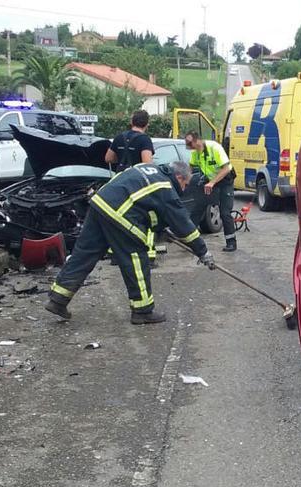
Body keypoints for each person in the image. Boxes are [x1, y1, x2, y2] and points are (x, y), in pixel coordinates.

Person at [45, 161, 216, 325]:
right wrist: (202, 251)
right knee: (136, 261)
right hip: (120, 214)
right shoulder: (165, 186)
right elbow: (184, 224)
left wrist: (161, 229)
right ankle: (143, 312)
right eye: (185, 184)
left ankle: (58, 298)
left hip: (100, 204)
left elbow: (144, 203)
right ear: (179, 177)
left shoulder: (148, 169)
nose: (184, 189)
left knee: (84, 254)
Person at [105, 109, 158, 263]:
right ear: (146, 124)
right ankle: (149, 254)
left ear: (131, 121)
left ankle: (115, 253)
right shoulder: (144, 140)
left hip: (119, 182)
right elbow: (147, 163)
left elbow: (108, 158)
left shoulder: (119, 137)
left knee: (119, 216)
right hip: (137, 183)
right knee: (147, 216)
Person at [185, 131, 238, 252]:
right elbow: (190, 168)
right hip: (210, 181)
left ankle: (231, 242)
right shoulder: (196, 152)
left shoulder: (215, 148)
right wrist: (184, 180)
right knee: (198, 207)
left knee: (225, 212)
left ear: (197, 140)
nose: (188, 147)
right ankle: (189, 239)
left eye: (189, 143)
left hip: (225, 181)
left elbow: (226, 169)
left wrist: (212, 182)